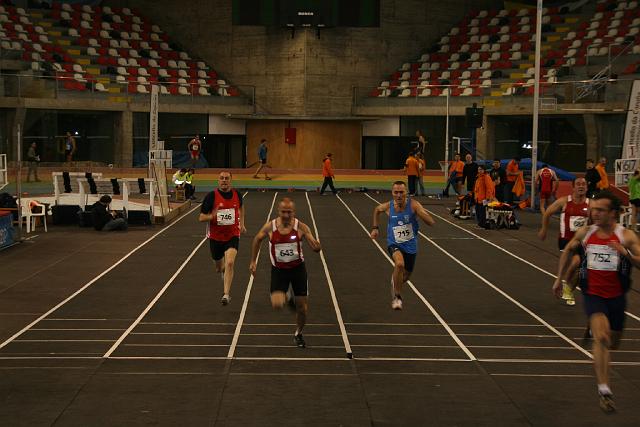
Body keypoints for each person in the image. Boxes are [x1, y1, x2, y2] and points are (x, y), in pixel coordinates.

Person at [552, 191, 640, 412]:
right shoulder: (586, 232)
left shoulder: (626, 236)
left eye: (600, 210)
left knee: (613, 342)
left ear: (613, 213)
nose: (595, 213)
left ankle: (595, 329)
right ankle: (604, 390)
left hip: (617, 297)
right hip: (593, 294)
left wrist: (626, 254)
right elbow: (568, 250)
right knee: (601, 338)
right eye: (594, 209)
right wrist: (559, 278)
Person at [249, 197, 322, 348]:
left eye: (289, 212)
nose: (287, 215)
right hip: (279, 270)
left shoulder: (301, 227)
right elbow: (257, 239)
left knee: (302, 309)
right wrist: (253, 261)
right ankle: (288, 296)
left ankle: (298, 333)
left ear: (294, 212)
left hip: (298, 270)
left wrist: (317, 247)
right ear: (279, 211)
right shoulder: (270, 227)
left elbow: (313, 243)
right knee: (277, 304)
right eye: (284, 212)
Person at [370, 181, 435, 309]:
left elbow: (431, 222)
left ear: (406, 193)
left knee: (405, 276)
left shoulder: (414, 205)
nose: (399, 195)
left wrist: (422, 215)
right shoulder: (389, 206)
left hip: (410, 246)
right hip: (394, 243)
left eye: (401, 192)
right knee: (399, 264)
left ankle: (395, 281)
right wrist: (375, 228)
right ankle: (397, 297)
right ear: (392, 193)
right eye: (396, 192)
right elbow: (377, 210)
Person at [538, 177, 589, 305]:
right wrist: (544, 229)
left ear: (587, 187)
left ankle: (567, 286)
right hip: (565, 240)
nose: (581, 186)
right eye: (578, 184)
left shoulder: (591, 204)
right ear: (573, 187)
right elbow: (547, 213)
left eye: (583, 184)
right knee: (575, 262)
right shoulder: (564, 201)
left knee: (577, 267)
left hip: (582, 242)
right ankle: (562, 281)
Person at [199, 171, 246, 305]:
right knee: (219, 268)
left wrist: (242, 224)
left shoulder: (237, 195)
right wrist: (212, 216)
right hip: (215, 237)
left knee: (230, 262)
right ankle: (222, 271)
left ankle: (226, 294)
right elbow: (201, 217)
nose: (224, 180)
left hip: (232, 235)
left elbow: (242, 207)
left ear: (231, 180)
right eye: (222, 178)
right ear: (218, 181)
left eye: (227, 178)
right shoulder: (211, 197)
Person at [473, 164, 496, 229]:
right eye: (479, 169)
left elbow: (489, 188)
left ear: (484, 170)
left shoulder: (486, 177)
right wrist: (475, 197)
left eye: (481, 169)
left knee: (482, 212)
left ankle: (482, 225)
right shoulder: (478, 177)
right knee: (478, 211)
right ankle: (479, 224)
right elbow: (476, 188)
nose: (479, 171)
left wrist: (488, 198)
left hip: (484, 199)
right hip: (478, 198)